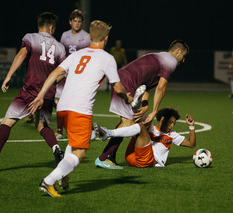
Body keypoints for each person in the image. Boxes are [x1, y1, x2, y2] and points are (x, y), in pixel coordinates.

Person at [28, 20, 133, 197]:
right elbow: (118, 87)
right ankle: (49, 181)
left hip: (63, 107)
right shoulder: (107, 58)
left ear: (90, 37)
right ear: (106, 38)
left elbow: (55, 73)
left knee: (73, 144)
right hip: (80, 109)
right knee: (80, 153)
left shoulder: (77, 55)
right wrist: (127, 97)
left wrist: (40, 95)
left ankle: (64, 176)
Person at [0, 12, 66, 171]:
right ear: (51, 27)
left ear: (40, 25)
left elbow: (22, 54)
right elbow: (63, 72)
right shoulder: (60, 47)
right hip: (47, 94)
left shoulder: (30, 37)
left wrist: (8, 76)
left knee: (7, 121)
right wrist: (49, 86)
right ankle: (57, 150)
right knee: (41, 126)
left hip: (29, 90)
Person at [95, 39, 189, 169]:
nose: (183, 60)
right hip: (127, 83)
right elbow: (161, 88)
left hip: (122, 79)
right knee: (129, 123)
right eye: (184, 56)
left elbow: (144, 88)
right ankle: (103, 157)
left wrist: (145, 104)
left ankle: (109, 156)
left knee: (130, 122)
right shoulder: (171, 61)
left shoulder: (158, 57)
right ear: (178, 51)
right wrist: (154, 111)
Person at [94, 108, 196, 168]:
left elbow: (191, 144)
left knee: (142, 126)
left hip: (147, 160)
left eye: (174, 123)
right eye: (170, 122)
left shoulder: (172, 135)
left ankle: (109, 132)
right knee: (143, 122)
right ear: (163, 119)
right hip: (131, 156)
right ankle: (135, 104)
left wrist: (191, 126)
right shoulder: (151, 128)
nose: (172, 126)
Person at [55, 9, 91, 139]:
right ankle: (59, 131)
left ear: (82, 23)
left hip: (79, 75)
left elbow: (88, 56)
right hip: (66, 72)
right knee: (59, 102)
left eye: (79, 21)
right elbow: (61, 53)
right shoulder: (65, 35)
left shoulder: (87, 36)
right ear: (70, 22)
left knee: (80, 103)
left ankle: (89, 129)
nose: (77, 23)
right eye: (74, 21)